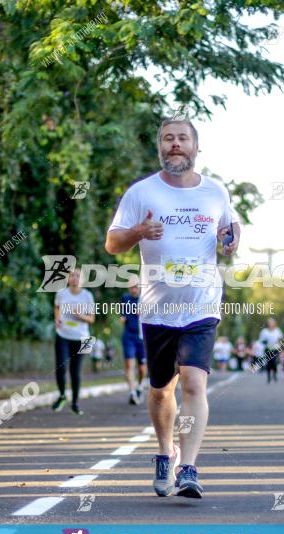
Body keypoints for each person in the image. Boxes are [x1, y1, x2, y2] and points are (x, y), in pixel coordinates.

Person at [105, 117, 240, 499]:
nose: (175, 144)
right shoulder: (141, 192)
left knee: (195, 382)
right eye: (168, 139)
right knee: (162, 390)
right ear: (160, 148)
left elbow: (230, 231)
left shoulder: (216, 192)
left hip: (202, 304)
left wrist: (230, 241)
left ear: (196, 147)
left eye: (183, 138)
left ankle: (189, 467)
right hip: (157, 309)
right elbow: (113, 244)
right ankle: (165, 452)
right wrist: (137, 233)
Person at [53, 269, 95, 415]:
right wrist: (57, 319)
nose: (75, 278)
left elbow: (92, 319)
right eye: (72, 276)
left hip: (82, 338)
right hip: (62, 335)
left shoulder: (88, 296)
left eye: (78, 276)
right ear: (68, 278)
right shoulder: (61, 294)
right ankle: (62, 395)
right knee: (60, 367)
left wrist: (80, 315)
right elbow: (57, 307)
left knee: (75, 371)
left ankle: (75, 403)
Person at [120, 276, 147, 405]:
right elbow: (122, 314)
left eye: (136, 286)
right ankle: (132, 392)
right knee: (129, 365)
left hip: (142, 337)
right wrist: (122, 318)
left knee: (142, 368)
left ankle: (140, 386)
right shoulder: (125, 298)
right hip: (129, 336)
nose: (134, 289)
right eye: (131, 286)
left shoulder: (146, 298)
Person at [258, 317, 283, 384]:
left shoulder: (277, 330)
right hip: (267, 349)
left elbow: (280, 339)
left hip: (275, 349)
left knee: (274, 362)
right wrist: (265, 341)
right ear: (268, 324)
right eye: (269, 323)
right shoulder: (264, 331)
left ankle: (274, 375)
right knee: (269, 363)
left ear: (274, 323)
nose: (271, 324)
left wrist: (281, 348)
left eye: (272, 323)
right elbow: (261, 340)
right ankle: (268, 377)